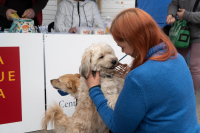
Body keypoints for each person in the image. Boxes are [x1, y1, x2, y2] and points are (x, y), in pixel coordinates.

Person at [84, 8, 200, 132]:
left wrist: (94, 90)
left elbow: (119, 128)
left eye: (122, 47)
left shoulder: (138, 77)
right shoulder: (177, 58)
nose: (123, 52)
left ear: (135, 40)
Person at [166, 0, 200, 94]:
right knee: (173, 60)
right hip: (182, 32)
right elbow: (174, 3)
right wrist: (171, 14)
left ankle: (191, 94)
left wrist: (186, 15)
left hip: (198, 35)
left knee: (195, 67)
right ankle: (171, 89)